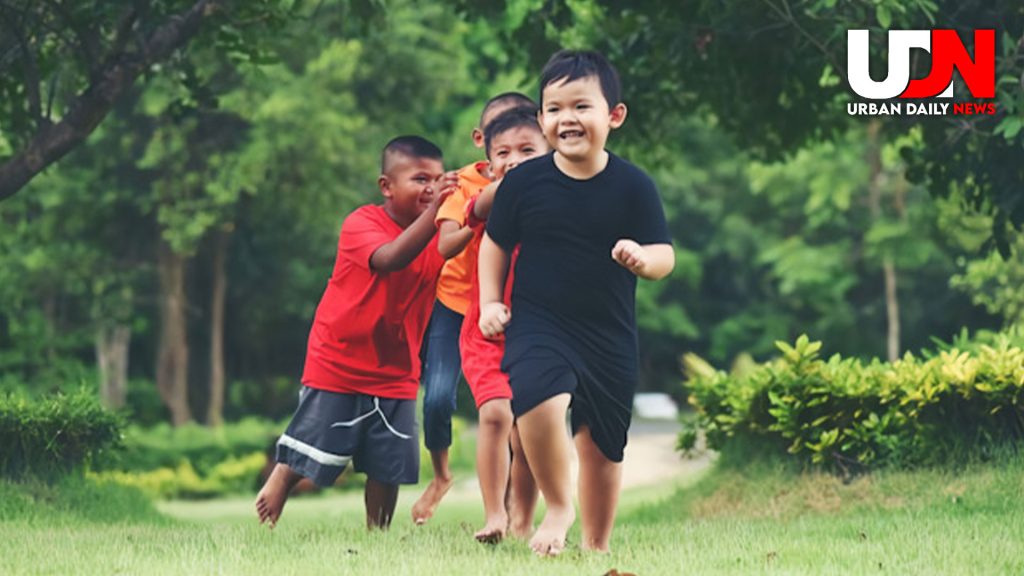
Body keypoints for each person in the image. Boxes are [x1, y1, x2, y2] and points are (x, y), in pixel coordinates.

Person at [477, 50, 675, 555]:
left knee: (602, 448)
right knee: (537, 399)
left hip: (608, 332)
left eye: (581, 106)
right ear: (542, 120)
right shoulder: (524, 182)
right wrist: (489, 303)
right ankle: (559, 506)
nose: (567, 118)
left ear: (614, 115)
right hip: (539, 322)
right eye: (554, 108)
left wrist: (642, 259)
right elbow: (494, 244)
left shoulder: (633, 185)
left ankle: (597, 545)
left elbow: (665, 255)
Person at [255, 135, 457, 530]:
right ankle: (283, 476)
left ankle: (376, 533)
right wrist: (434, 213)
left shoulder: (440, 235)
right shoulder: (361, 223)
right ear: (387, 187)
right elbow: (391, 259)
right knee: (321, 443)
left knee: (389, 458)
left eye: (436, 179)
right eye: (419, 179)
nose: (430, 188)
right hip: (340, 357)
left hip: (398, 364)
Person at [412, 92, 536, 525]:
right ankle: (446, 478)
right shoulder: (464, 186)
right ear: (483, 141)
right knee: (442, 397)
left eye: (526, 141)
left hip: (516, 308)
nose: (514, 153)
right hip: (457, 305)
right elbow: (445, 243)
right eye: (502, 143)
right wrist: (481, 214)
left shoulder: (543, 182)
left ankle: (511, 507)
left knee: (517, 417)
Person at [456, 105, 549, 543]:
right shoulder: (492, 198)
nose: (514, 159)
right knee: (495, 414)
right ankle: (494, 514)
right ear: (489, 162)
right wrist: (511, 180)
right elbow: (478, 206)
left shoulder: (558, 200)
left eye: (527, 150)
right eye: (504, 153)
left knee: (529, 429)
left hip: (537, 331)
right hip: (486, 330)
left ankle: (523, 518)